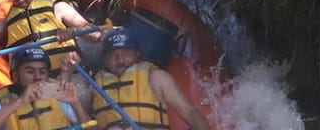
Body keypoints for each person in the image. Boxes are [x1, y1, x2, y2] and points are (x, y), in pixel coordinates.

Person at [62, 28, 211, 130]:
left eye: (126, 53)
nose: (120, 60)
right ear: (105, 59)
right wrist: (67, 73)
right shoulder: (96, 86)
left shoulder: (156, 77)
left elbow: (191, 113)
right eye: (113, 55)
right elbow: (68, 113)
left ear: (137, 54)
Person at [0, 47, 92, 130]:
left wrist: (75, 103)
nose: (37, 77)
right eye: (30, 71)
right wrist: (20, 101)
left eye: (42, 72)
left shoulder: (61, 102)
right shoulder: (1, 107)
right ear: (16, 76)